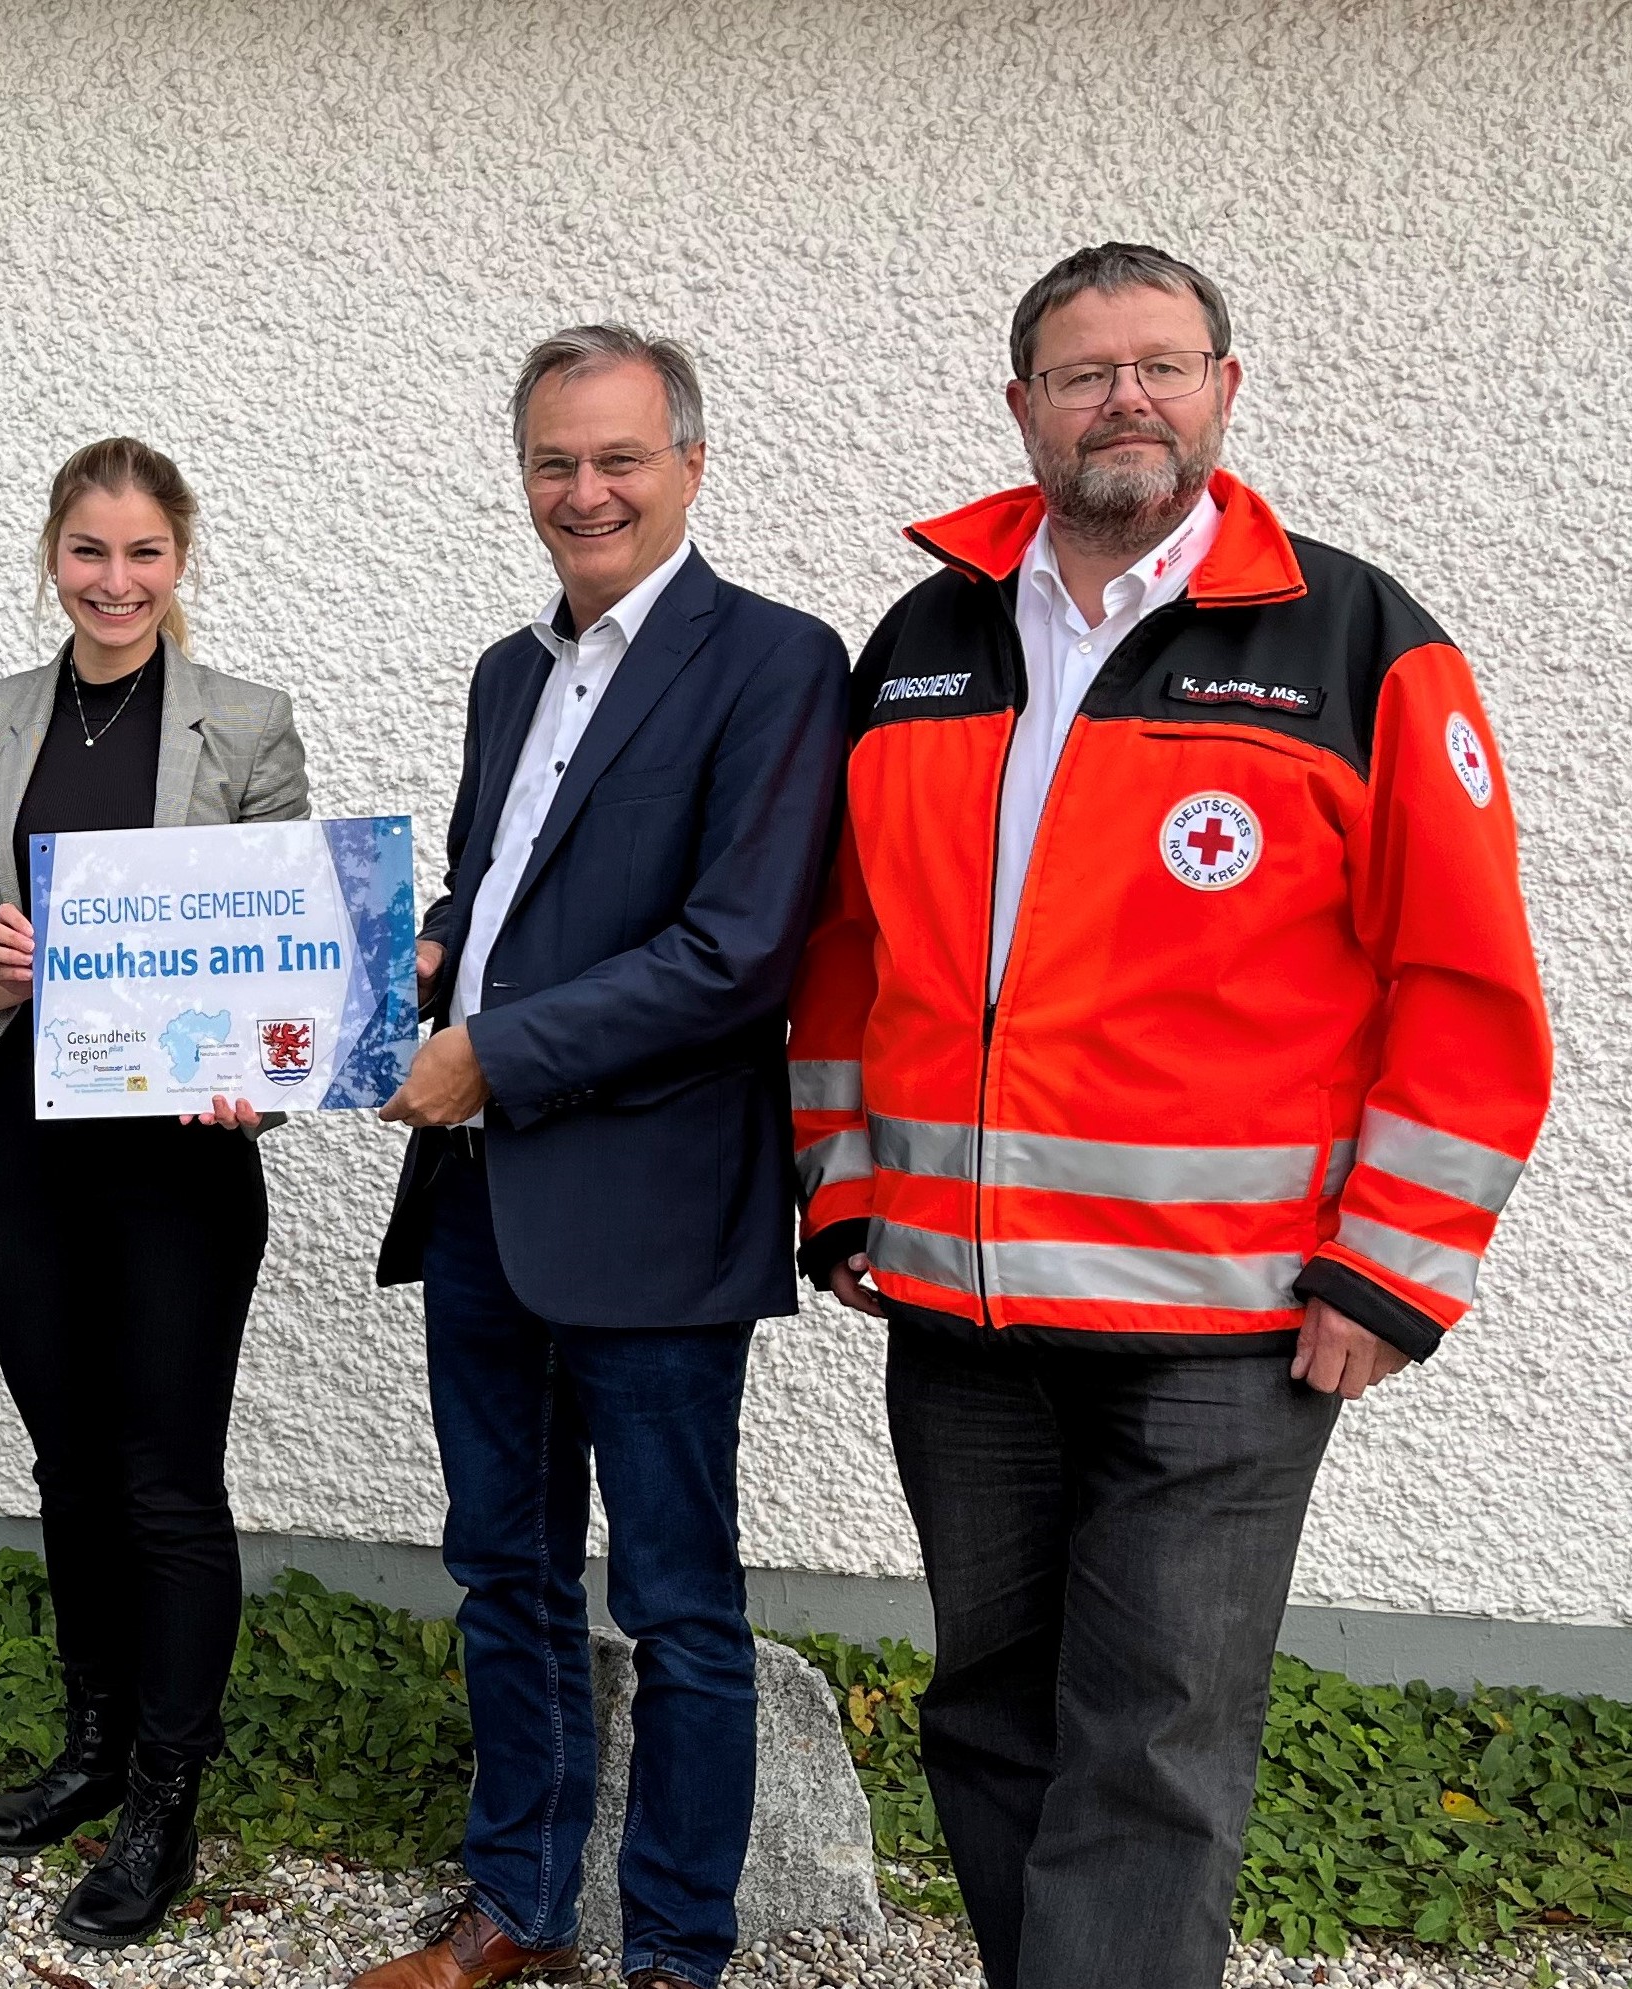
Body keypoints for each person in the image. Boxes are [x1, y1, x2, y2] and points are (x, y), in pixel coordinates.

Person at [788, 243, 1552, 1989]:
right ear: (1024, 408)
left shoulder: (1361, 642)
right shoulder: (926, 643)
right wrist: (844, 1188)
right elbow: (846, 952)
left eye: (1162, 364)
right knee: (989, 1711)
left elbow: (1470, 990)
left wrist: (1390, 1271)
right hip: (965, 1318)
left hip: (1230, 1328)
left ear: (1223, 389)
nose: (1124, 397)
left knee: (1151, 1746)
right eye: (1083, 372)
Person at [357, 328, 848, 1989]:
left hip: (648, 1201)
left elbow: (738, 952)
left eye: (620, 459)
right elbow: (498, 894)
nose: (587, 491)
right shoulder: (512, 671)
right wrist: (413, 961)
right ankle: (519, 1900)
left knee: (678, 1604)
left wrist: (492, 1049)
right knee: (501, 1564)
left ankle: (678, 1951)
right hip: (486, 1199)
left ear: (690, 467)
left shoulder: (777, 663)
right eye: (556, 463)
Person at [0, 437, 308, 1946]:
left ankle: (165, 1790)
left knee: (163, 1478)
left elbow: (284, 957)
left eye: (142, 553)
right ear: (53, 558)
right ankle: (87, 1743)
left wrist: (257, 1066)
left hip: (180, 1153)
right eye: (89, 551)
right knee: (69, 1466)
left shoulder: (247, 726)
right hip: (30, 1136)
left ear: (178, 560)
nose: (115, 580)